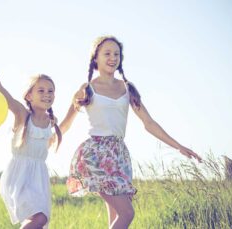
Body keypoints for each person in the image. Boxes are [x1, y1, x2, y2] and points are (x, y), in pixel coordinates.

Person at [59, 35, 202, 229]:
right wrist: (50, 138)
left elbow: (149, 123)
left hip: (119, 156)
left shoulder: (127, 89)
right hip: (96, 155)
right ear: (95, 58)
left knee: (117, 216)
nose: (112, 57)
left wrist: (179, 147)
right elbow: (66, 123)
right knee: (127, 213)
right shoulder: (87, 89)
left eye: (116, 54)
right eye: (107, 53)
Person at [0, 41, 62, 229]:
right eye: (41, 90)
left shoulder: (51, 122)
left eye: (50, 91)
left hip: (39, 179)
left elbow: (68, 125)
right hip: (19, 176)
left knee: (38, 221)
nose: (47, 94)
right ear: (29, 96)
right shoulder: (23, 115)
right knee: (39, 219)